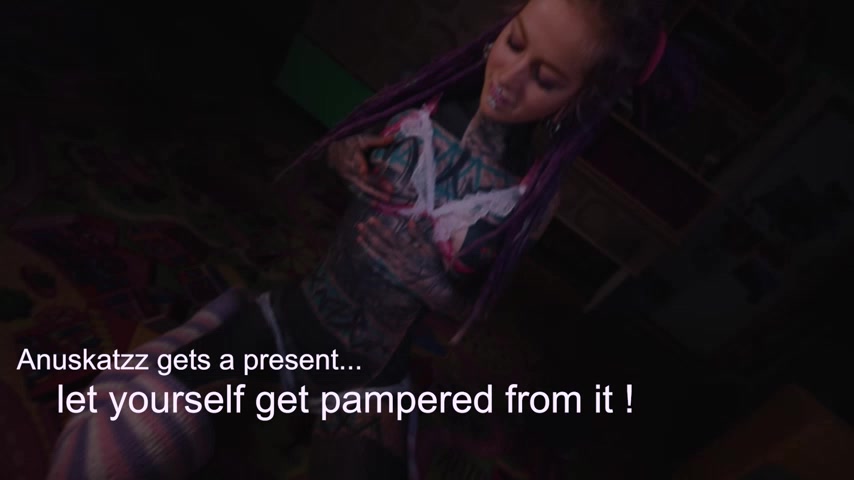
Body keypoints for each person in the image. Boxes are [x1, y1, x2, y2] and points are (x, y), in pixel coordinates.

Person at [47, 0, 667, 478]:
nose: (508, 77)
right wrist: (343, 153)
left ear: (578, 100)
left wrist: (429, 281)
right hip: (292, 322)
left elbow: (466, 311)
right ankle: (218, 326)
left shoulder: (529, 196)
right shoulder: (422, 105)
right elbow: (349, 148)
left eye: (546, 78)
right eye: (514, 42)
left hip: (370, 379)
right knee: (108, 448)